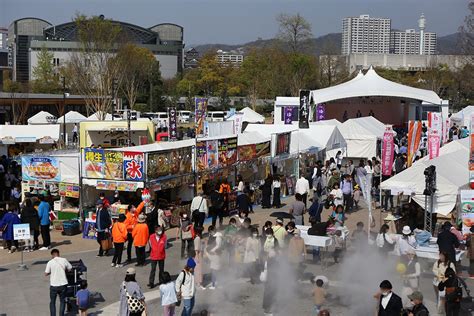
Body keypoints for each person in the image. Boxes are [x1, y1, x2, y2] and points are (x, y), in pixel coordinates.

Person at [45, 249, 72, 316]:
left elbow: (46, 273)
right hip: (63, 285)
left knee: (52, 302)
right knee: (62, 301)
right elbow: (70, 268)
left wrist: (52, 271)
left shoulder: (50, 262)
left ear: (52, 255)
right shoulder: (64, 260)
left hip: (54, 285)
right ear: (58, 253)